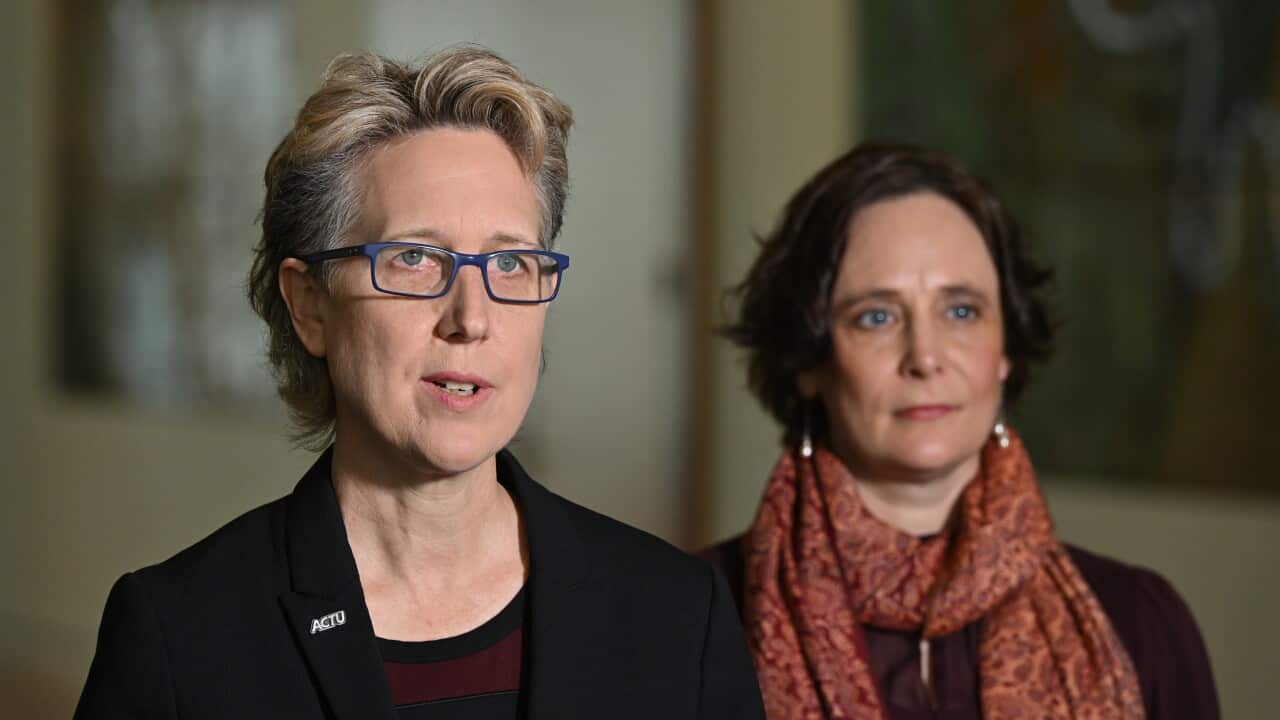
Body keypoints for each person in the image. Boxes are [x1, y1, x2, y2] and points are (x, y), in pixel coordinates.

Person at [76, 45, 764, 720]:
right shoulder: (179, 636)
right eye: (412, 258)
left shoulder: (677, 613)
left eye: (511, 264)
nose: (471, 318)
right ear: (309, 304)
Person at [702, 143, 1218, 719]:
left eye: (961, 311)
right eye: (877, 316)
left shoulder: (1142, 623)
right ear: (809, 364)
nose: (925, 357)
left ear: (1006, 349)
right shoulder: (691, 615)